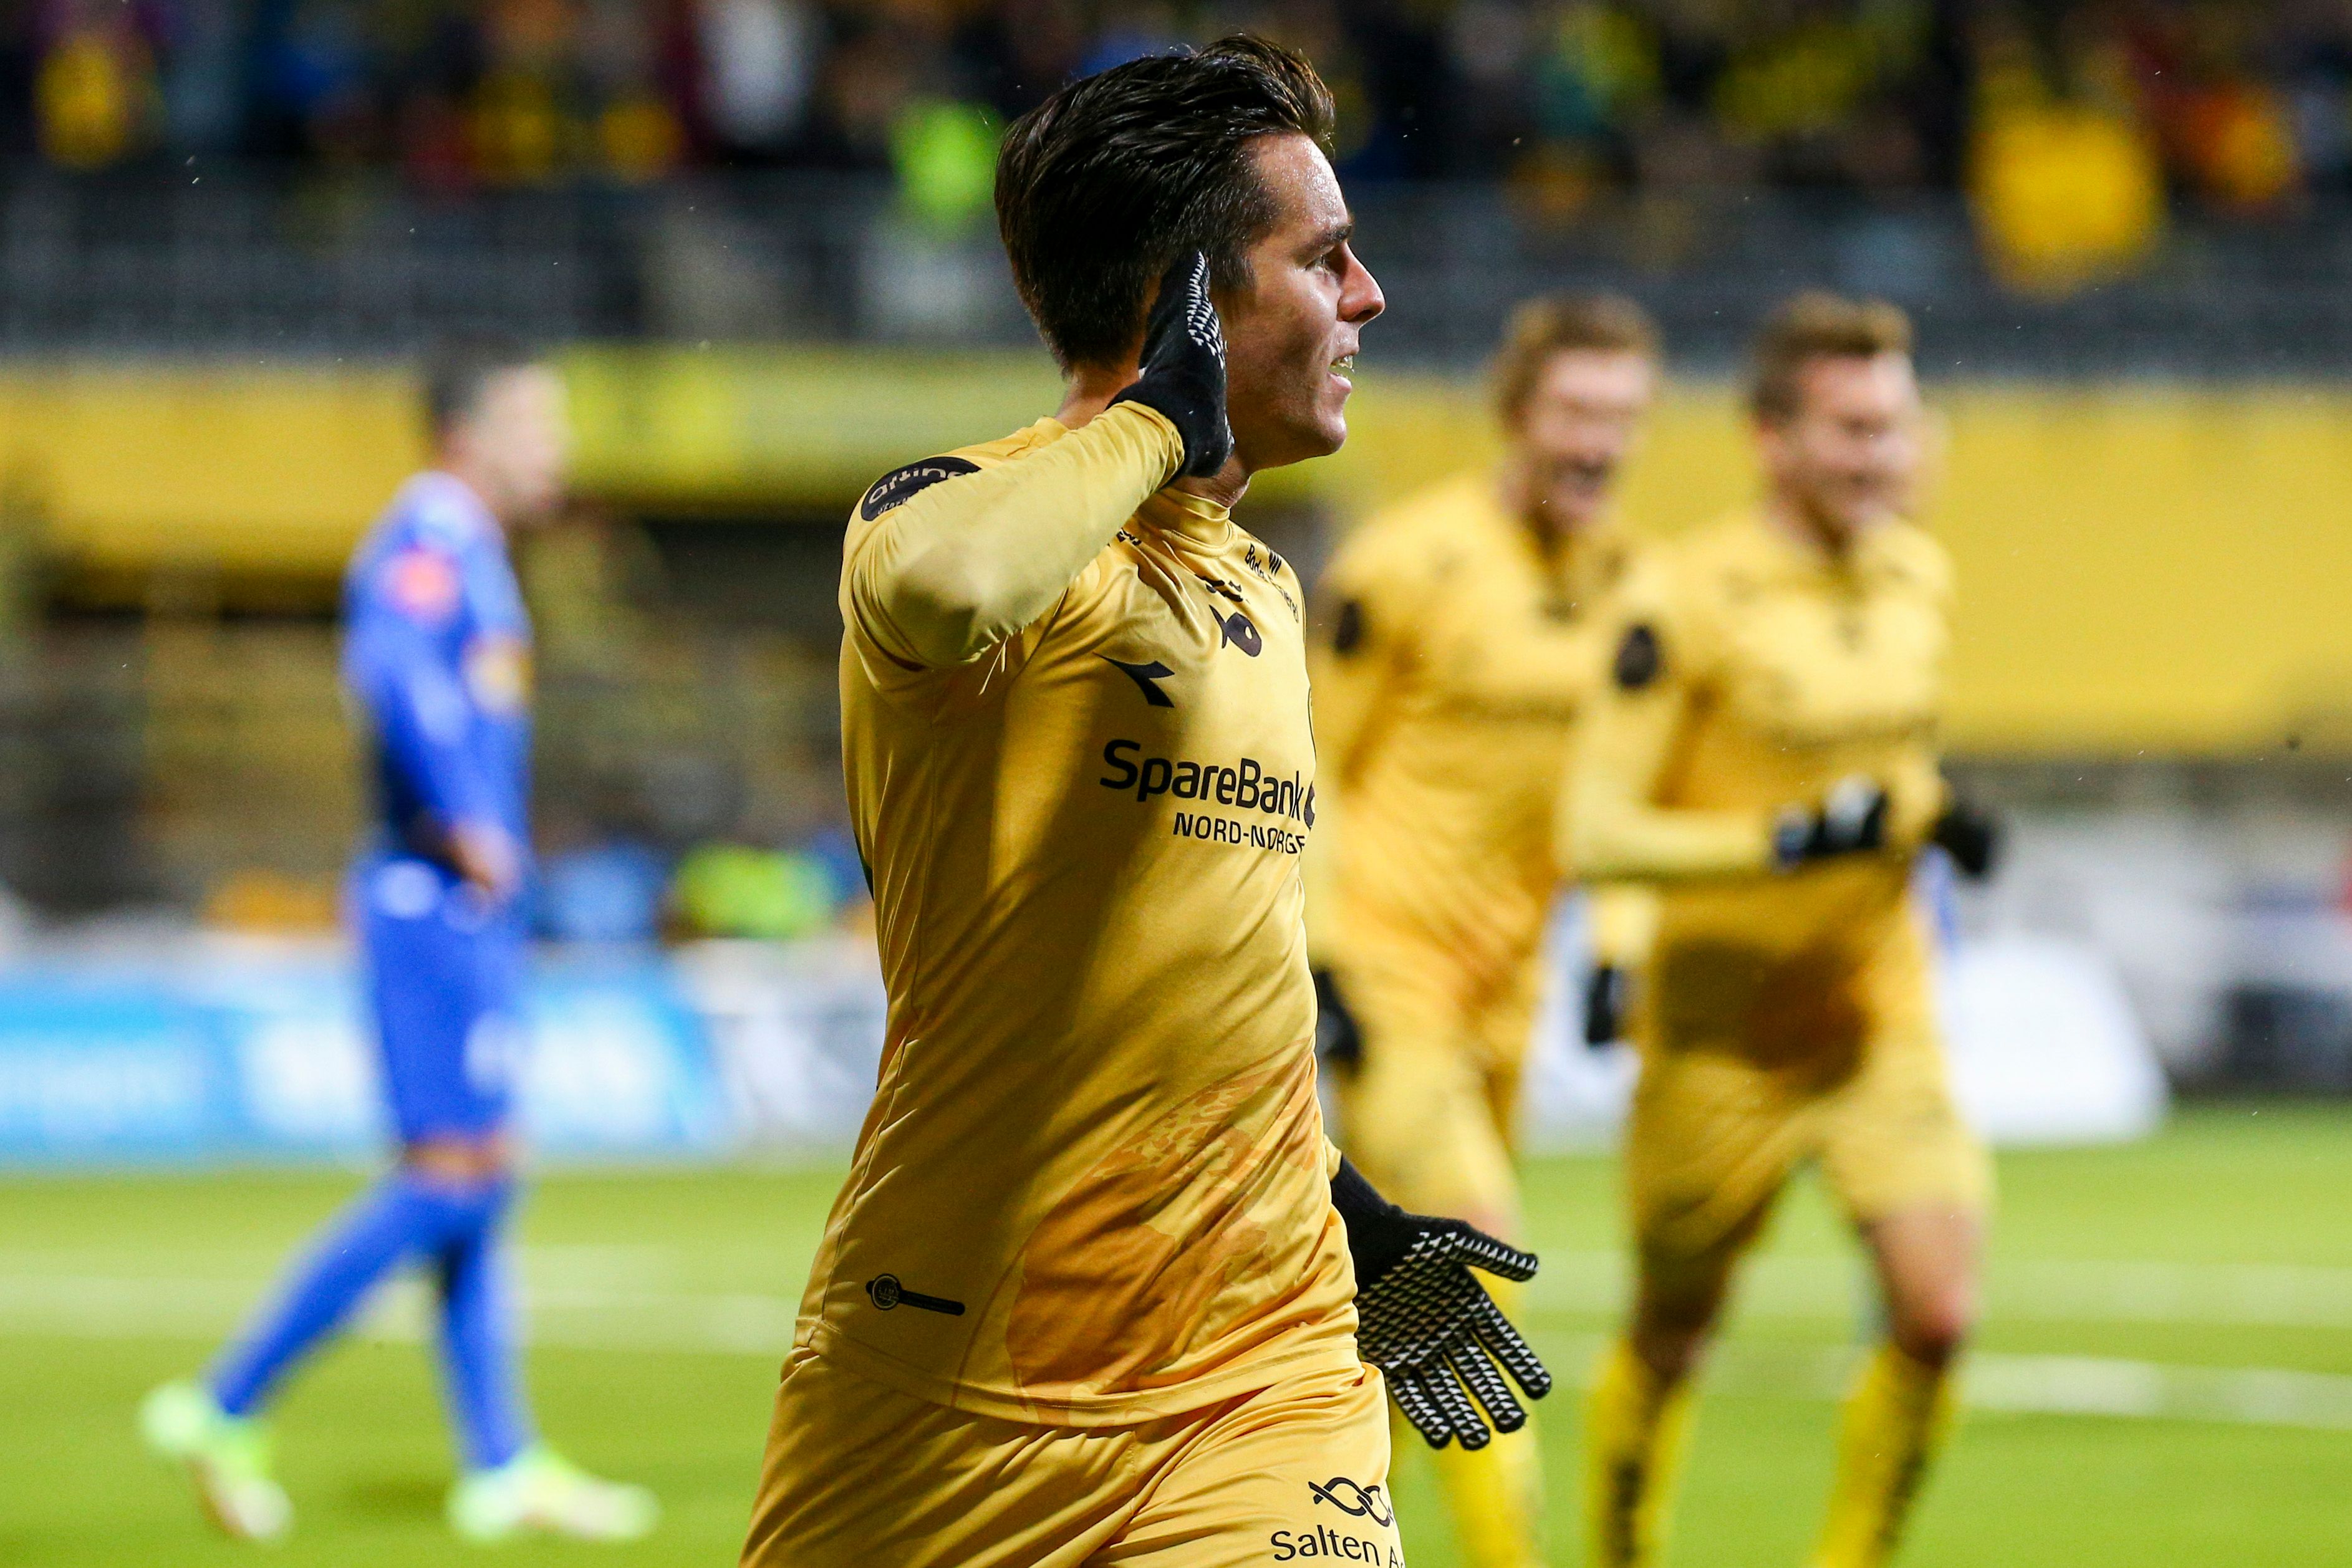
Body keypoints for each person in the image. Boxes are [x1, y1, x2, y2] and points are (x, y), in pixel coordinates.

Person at [739, 38, 1549, 1568]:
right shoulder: (950, 514)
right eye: (1322, 258)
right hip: (953, 1362)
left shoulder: (1264, 588)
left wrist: (1339, 1206)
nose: (1368, 297)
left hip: (1260, 1369)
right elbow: (945, 585)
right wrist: (1160, 418)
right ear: (1190, 300)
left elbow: (1205, 970)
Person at [139, 339, 657, 1546]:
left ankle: (501, 1463)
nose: (557, 448)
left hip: (459, 906)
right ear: (466, 435)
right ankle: (224, 1400)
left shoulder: (472, 548)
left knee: (484, 1174)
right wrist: (471, 822)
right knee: (453, 1177)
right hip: (431, 900)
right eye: (535, 424)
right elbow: (392, 672)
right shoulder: (428, 539)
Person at [1567, 293, 2000, 1568]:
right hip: (1718, 1037)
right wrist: (1783, 842)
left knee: (1937, 1313)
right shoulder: (1680, 597)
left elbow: (1895, 764)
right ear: (1772, 439)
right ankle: (1620, 1553)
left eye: (1893, 425)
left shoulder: (1919, 573)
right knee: (1672, 1334)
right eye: (1851, 429)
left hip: (1873, 1015)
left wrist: (1935, 816)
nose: (1881, 454)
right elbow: (1593, 831)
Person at [1308, 292, 1661, 1568]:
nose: (1596, 441)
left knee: (1388, 1317)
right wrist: (1321, 958)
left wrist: (1616, 943)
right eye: (1574, 411)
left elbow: (1626, 794)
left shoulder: (1634, 585)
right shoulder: (1408, 563)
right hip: (1388, 967)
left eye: (1620, 416)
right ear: (1515, 414)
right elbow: (1307, 762)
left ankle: (1327, 1535)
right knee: (1468, 1273)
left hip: (1509, 987)